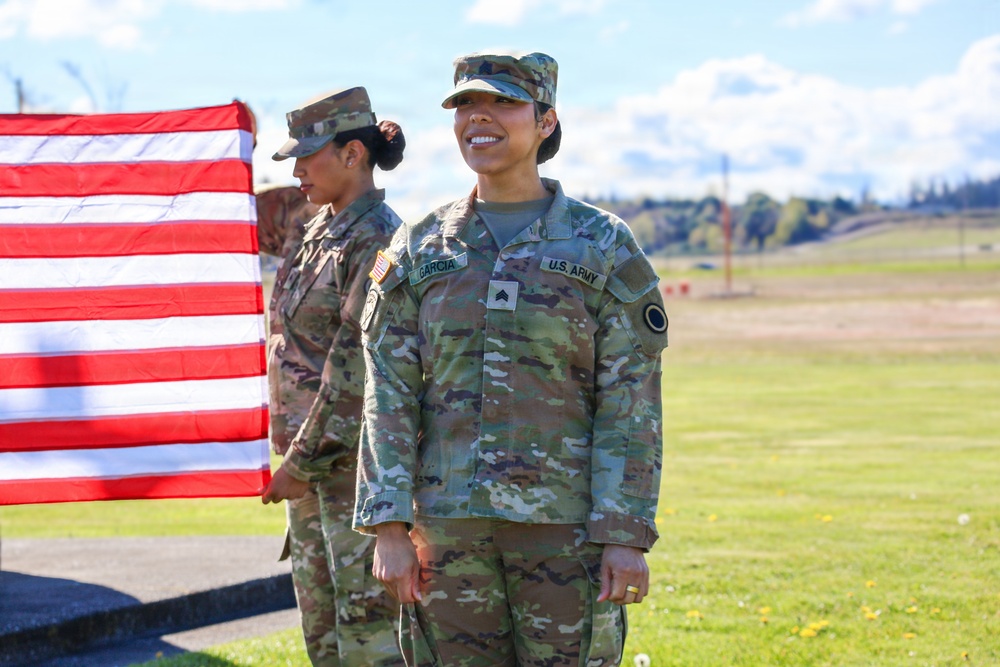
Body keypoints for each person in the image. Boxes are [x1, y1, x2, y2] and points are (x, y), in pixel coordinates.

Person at [353, 51, 668, 666]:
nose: (480, 118)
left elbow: (630, 400)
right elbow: (387, 394)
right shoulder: (418, 246)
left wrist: (625, 534)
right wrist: (388, 526)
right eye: (467, 104)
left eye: (502, 103)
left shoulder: (601, 243)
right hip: (446, 535)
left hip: (567, 535)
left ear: (545, 120)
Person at [259, 86, 406, 667]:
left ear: (353, 155)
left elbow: (355, 366)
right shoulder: (315, 226)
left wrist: (298, 463)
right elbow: (238, 218)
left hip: (352, 476)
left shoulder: (377, 239)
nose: (296, 168)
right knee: (324, 639)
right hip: (310, 471)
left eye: (308, 154)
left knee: (368, 639)